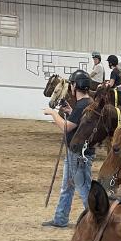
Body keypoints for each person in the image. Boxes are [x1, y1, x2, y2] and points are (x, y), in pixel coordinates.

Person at [41, 70, 95, 228]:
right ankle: (60, 218)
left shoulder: (82, 105)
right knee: (69, 186)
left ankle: (97, 221)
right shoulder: (88, 102)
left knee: (83, 188)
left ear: (75, 86)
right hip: (77, 152)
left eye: (71, 84)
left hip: (77, 154)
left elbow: (66, 126)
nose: (70, 87)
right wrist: (71, 112)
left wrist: (53, 113)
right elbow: (79, 121)